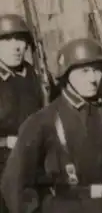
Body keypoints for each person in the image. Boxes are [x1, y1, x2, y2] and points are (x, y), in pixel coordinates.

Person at [1, 38, 102, 213]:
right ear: (66, 74)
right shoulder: (41, 122)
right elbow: (14, 185)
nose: (92, 79)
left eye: (97, 70)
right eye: (84, 71)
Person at [0, 14, 48, 213]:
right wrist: (5, 142)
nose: (16, 47)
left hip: (36, 165)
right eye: (7, 40)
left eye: (20, 40)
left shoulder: (37, 77)